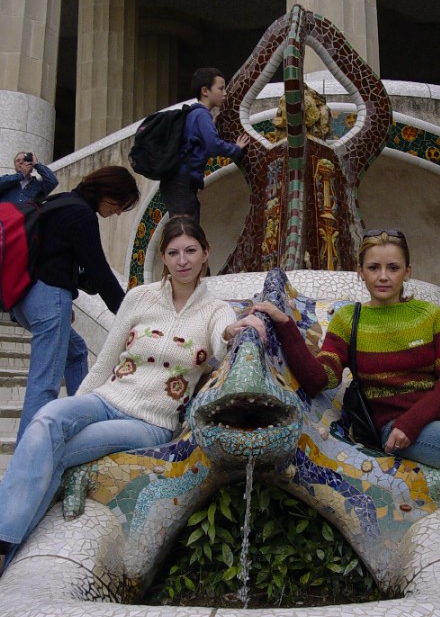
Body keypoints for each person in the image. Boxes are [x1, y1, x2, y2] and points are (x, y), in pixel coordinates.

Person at [253, 229, 440, 617]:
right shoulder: (348, 320)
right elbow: (321, 378)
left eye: (392, 267)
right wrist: (285, 326)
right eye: (374, 267)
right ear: (360, 272)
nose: (383, 275)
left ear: (408, 271)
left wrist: (413, 419)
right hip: (398, 431)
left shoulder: (428, 314)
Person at [0, 215, 266, 564]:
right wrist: (77, 410)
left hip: (148, 422)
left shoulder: (216, 310)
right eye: (173, 252)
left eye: (190, 250)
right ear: (164, 258)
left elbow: (220, 342)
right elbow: (106, 359)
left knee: (62, 454)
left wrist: (235, 330)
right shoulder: (139, 298)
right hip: (106, 398)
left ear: (206, 253)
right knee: (47, 419)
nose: (182, 260)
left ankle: (5, 550)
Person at [12, 166, 140, 443]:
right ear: (104, 192)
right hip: (49, 299)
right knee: (44, 385)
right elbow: (100, 271)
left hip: (26, 298)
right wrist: (129, 313)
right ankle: (27, 454)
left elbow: (53, 255)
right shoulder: (81, 214)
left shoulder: (59, 201)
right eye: (118, 204)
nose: (117, 212)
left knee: (76, 351)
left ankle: (79, 418)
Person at [159, 67, 249, 222]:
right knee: (187, 228)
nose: (225, 93)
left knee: (184, 226)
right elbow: (213, 145)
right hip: (183, 184)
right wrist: (236, 148)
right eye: (221, 88)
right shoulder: (201, 115)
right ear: (205, 91)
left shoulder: (194, 114)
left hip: (177, 184)